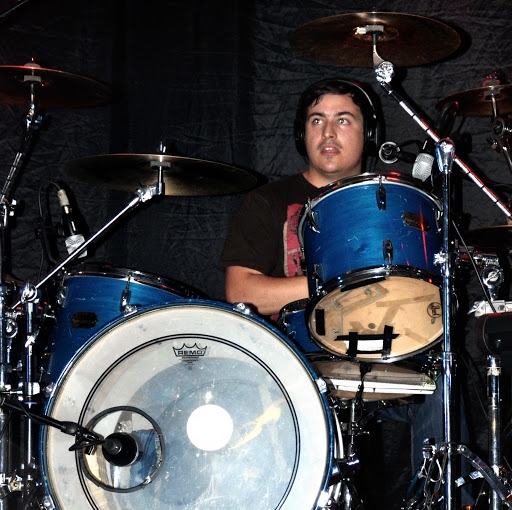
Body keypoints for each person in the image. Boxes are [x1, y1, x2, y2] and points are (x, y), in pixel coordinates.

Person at [219, 77, 471, 508]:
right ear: (302, 134)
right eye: (317, 121)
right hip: (299, 360)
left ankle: (444, 499)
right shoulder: (269, 202)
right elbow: (240, 292)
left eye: (343, 120)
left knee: (444, 375)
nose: (328, 132)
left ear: (368, 134)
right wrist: (338, 285)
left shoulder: (400, 198)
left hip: (394, 353)